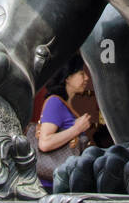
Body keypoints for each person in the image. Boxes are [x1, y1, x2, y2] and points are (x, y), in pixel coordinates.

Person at [35, 55, 95, 190]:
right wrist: (76, 129)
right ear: (67, 77)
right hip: (51, 187)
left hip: (61, 184)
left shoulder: (66, 105)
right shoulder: (54, 103)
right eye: (81, 73)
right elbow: (45, 143)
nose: (86, 78)